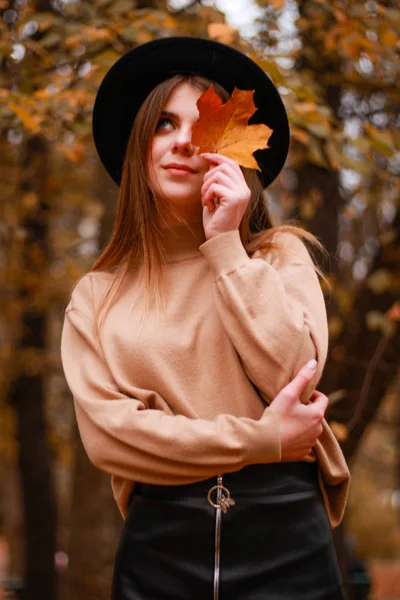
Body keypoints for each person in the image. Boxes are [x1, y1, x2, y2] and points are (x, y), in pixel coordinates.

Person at [61, 37, 350, 600]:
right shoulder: (97, 296)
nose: (183, 144)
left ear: (234, 154)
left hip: (287, 539)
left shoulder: (279, 257)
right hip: (158, 550)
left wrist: (225, 248)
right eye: (164, 124)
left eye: (202, 129)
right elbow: (112, 439)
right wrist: (261, 439)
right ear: (138, 144)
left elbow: (293, 373)